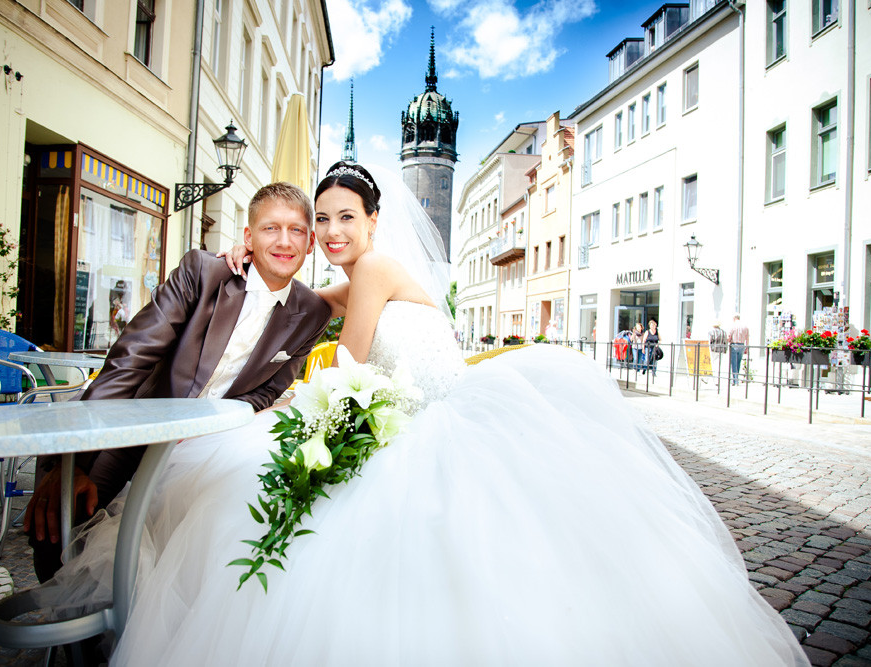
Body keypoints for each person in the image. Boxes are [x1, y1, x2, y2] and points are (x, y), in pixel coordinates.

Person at [46, 163, 809, 666]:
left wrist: (302, 408)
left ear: (374, 220)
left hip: (438, 418)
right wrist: (253, 261)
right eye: (323, 220)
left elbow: (343, 364)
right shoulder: (348, 277)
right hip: (408, 412)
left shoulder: (374, 268)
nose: (332, 232)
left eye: (343, 217)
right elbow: (306, 307)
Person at [24, 182, 332, 582]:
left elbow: (270, 391)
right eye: (271, 228)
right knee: (60, 524)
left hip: (205, 446)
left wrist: (211, 425)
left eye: (296, 231)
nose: (284, 241)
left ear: (310, 243)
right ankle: (67, 635)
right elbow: (130, 359)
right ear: (248, 237)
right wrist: (76, 459)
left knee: (197, 549)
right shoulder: (203, 272)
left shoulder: (311, 312)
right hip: (133, 423)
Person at [728, 313, 750, 386]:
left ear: (734, 318)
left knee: (733, 363)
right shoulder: (745, 326)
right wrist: (747, 347)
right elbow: (747, 338)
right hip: (742, 345)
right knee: (738, 362)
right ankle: (736, 378)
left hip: (734, 344)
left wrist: (728, 341)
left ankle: (735, 380)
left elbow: (729, 336)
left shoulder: (733, 326)